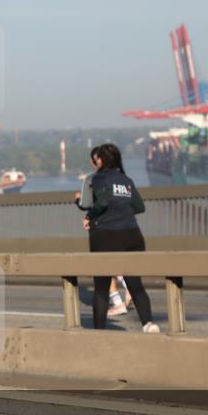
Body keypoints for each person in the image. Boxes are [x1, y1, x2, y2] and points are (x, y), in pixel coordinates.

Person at [79, 143, 160, 333]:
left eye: (96, 158)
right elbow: (139, 207)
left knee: (101, 286)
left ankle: (99, 332)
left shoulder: (99, 178)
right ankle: (148, 324)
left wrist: (89, 216)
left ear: (100, 160)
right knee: (135, 284)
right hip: (133, 235)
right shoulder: (126, 180)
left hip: (107, 235)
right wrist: (121, 210)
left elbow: (103, 202)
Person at [76, 148, 134, 317]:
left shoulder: (92, 179)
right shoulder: (122, 179)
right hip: (123, 227)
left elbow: (86, 203)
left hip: (100, 227)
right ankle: (130, 287)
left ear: (97, 161)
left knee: (102, 266)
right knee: (114, 263)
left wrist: (77, 201)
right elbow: (135, 204)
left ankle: (117, 302)